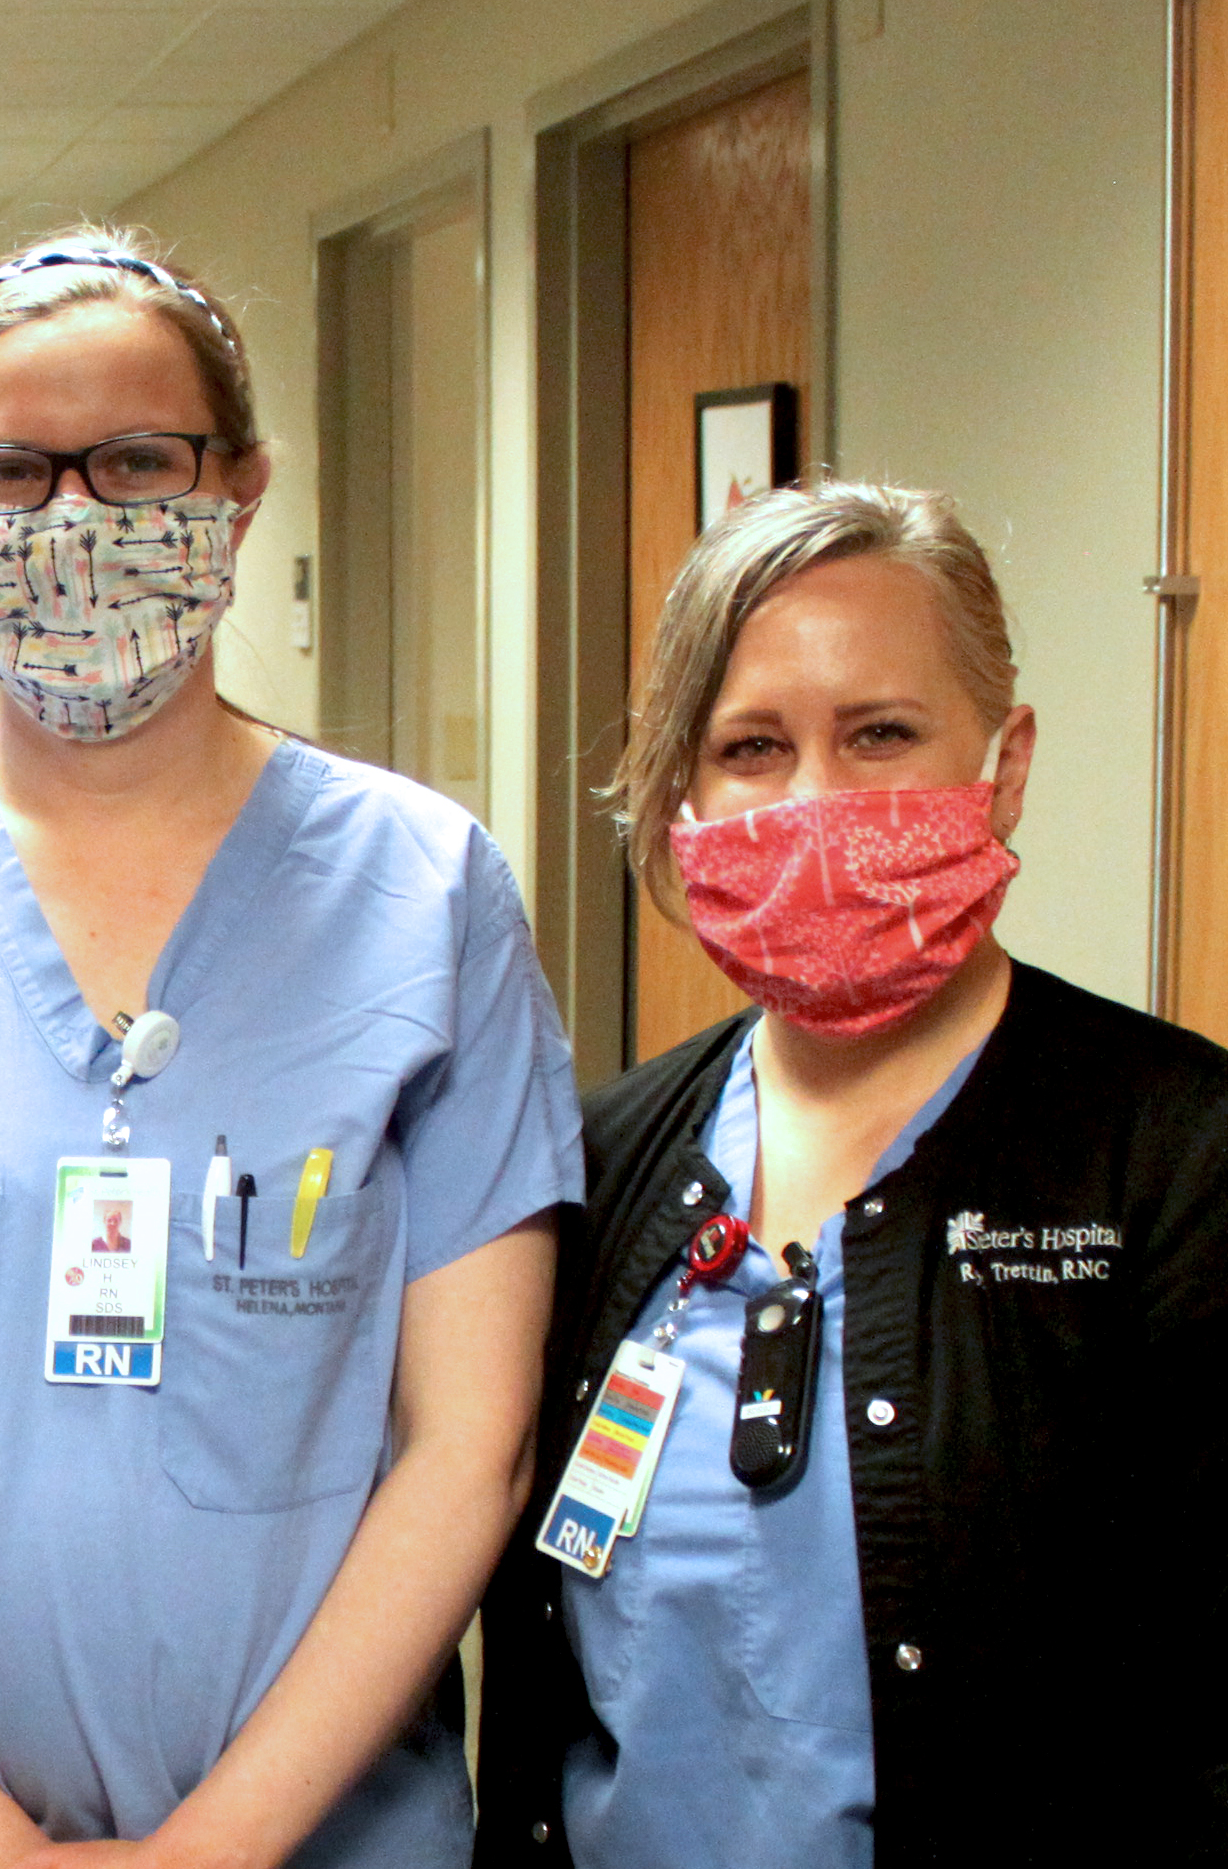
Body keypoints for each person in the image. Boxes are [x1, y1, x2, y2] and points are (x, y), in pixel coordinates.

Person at [0, 227, 579, 1869]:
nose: (74, 521)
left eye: (138, 460)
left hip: (328, 1837)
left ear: (240, 486)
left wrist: (211, 1856)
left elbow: (470, 1444)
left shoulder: (420, 891)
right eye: (9, 473)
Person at [472, 482, 1228, 1867]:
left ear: (1002, 762)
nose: (815, 799)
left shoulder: (1173, 1159)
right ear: (681, 792)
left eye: (879, 735)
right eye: (751, 746)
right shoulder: (599, 1165)